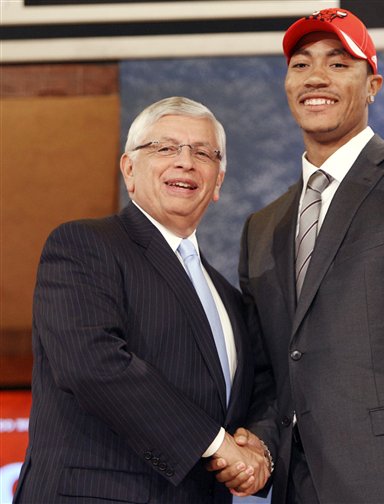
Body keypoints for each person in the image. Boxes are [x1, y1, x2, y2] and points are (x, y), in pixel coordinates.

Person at [212, 7, 384, 504]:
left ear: (373, 85)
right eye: (300, 65)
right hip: (296, 490)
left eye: (339, 63)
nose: (315, 77)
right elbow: (270, 372)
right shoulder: (263, 225)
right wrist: (260, 443)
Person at [13, 96, 270, 504]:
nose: (186, 161)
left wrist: (259, 449)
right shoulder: (83, 245)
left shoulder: (228, 298)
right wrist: (215, 443)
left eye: (204, 153)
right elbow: (92, 365)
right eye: (165, 147)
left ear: (218, 181)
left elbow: (262, 389)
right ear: (129, 170)